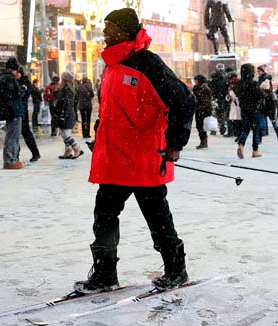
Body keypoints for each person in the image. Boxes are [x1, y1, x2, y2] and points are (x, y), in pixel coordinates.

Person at [74, 8, 196, 294]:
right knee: (103, 216)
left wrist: (175, 143)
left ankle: (176, 270)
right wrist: (100, 136)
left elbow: (183, 101)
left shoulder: (147, 63)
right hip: (115, 159)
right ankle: (105, 274)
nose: (105, 34)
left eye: (111, 28)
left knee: (157, 218)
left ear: (127, 31)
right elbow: (113, 111)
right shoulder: (112, 66)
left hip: (144, 159)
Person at [0, 57, 25, 170]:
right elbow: (15, 93)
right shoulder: (9, 78)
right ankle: (10, 160)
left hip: (7, 110)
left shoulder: (0, 77)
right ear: (14, 69)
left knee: (11, 135)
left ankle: (11, 159)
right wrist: (22, 87)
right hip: (13, 109)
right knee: (13, 136)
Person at [234, 64, 263, 158]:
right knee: (255, 129)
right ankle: (255, 150)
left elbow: (236, 92)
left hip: (244, 109)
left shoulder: (239, 84)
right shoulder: (253, 83)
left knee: (246, 129)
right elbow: (259, 95)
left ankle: (241, 145)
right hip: (254, 109)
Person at [55, 72, 84, 159]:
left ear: (65, 80)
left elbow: (67, 104)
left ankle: (76, 148)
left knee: (66, 134)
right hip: (63, 113)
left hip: (67, 114)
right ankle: (68, 151)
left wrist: (64, 114)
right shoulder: (64, 88)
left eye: (62, 78)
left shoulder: (68, 89)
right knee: (63, 134)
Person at [17, 66, 41, 162]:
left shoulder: (25, 83)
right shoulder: (17, 82)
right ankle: (16, 155)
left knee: (25, 132)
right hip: (18, 110)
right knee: (17, 134)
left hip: (22, 110)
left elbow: (26, 93)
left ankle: (35, 153)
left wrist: (23, 89)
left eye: (19, 73)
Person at [192, 74, 212, 149]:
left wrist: (198, 106)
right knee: (200, 126)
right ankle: (203, 142)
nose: (195, 82)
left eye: (196, 80)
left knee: (201, 127)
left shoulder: (203, 88)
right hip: (200, 110)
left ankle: (204, 142)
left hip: (203, 110)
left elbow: (206, 101)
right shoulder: (198, 88)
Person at [208, 70, 229, 136]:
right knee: (221, 114)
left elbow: (210, 91)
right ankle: (222, 127)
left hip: (214, 99)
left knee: (214, 115)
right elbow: (226, 91)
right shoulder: (224, 82)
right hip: (222, 100)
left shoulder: (211, 82)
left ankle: (213, 130)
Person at [226, 74, 242, 142]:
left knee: (239, 122)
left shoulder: (239, 89)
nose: (231, 85)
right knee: (235, 121)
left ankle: (239, 135)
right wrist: (228, 98)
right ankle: (237, 134)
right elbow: (228, 97)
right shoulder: (230, 89)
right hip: (233, 107)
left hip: (238, 107)